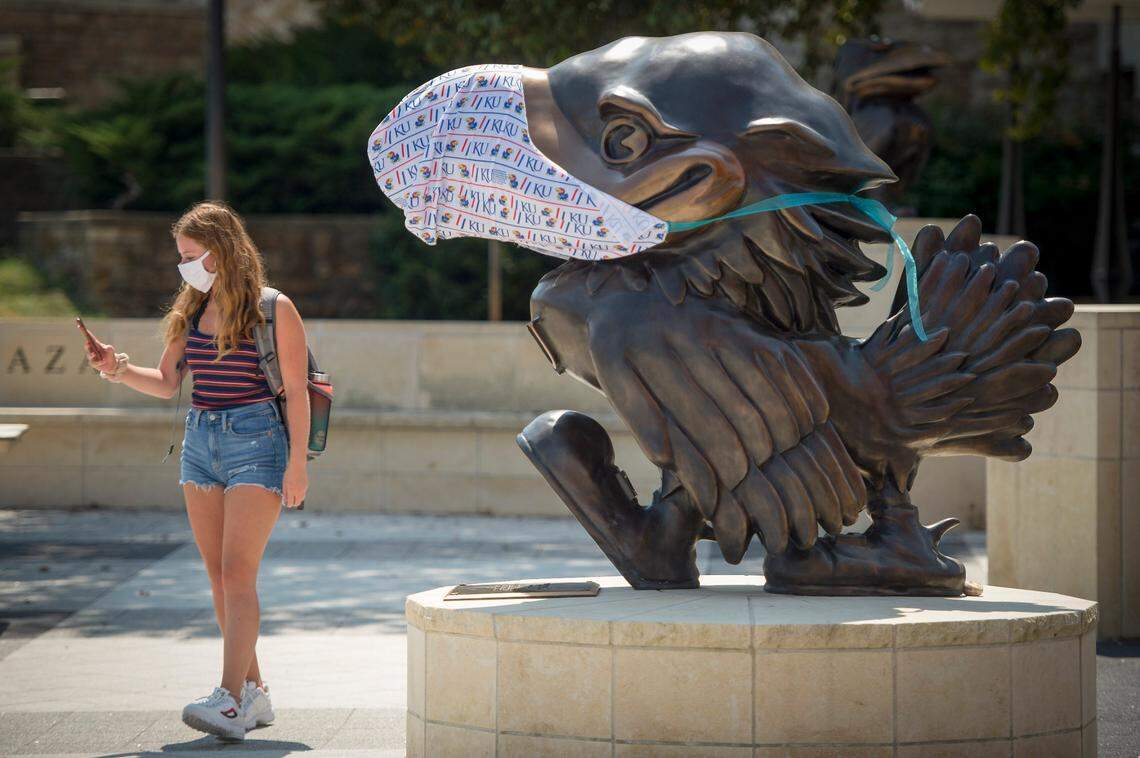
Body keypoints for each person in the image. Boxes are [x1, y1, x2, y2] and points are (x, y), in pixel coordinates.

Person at [82, 200, 310, 741]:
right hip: (200, 441)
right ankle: (253, 692)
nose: (183, 266)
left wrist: (298, 465)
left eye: (191, 255)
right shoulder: (190, 308)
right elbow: (165, 382)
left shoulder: (273, 308)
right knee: (216, 576)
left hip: (258, 442)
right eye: (180, 257)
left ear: (221, 250)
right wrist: (116, 369)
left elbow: (298, 393)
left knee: (237, 574)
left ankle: (229, 699)